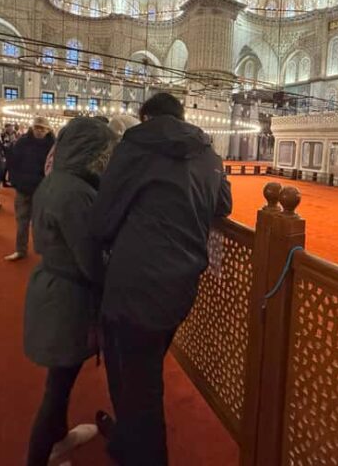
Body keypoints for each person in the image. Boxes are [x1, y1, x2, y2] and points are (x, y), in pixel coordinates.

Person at [90, 93, 232, 466]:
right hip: (181, 284)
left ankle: (143, 454)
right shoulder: (208, 153)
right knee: (141, 372)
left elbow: (103, 220)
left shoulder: (134, 145)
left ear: (145, 116)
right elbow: (224, 205)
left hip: (134, 283)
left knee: (138, 384)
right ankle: (125, 441)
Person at [23, 117, 117, 466]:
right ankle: (39, 456)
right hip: (67, 299)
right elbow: (90, 260)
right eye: (105, 151)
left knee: (58, 384)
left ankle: (58, 440)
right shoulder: (76, 192)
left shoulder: (57, 181)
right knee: (57, 390)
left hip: (55, 288)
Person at [4, 117, 55, 262]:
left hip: (42, 189)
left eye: (42, 128)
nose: (39, 131)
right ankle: (21, 249)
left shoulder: (53, 145)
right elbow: (13, 162)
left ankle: (45, 252)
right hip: (23, 187)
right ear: (32, 128)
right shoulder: (22, 142)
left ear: (48, 130)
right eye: (37, 127)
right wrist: (16, 181)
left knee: (41, 223)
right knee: (22, 221)